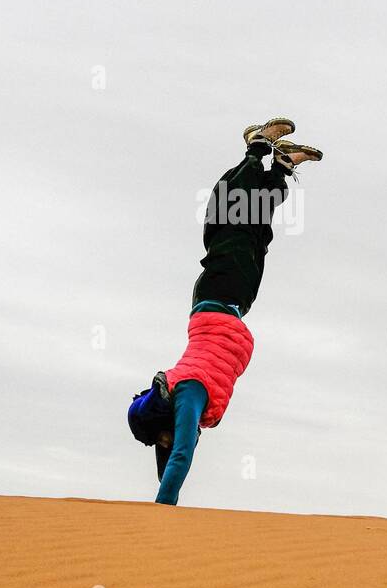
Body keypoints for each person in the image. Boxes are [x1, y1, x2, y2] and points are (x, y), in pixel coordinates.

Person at [127, 118, 322, 505]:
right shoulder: (188, 409)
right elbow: (169, 453)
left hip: (216, 296)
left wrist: (162, 509)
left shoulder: (188, 396)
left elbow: (180, 453)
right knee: (257, 230)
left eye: (161, 436)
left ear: (163, 421)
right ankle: (281, 166)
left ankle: (256, 146)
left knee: (233, 215)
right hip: (233, 304)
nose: (167, 442)